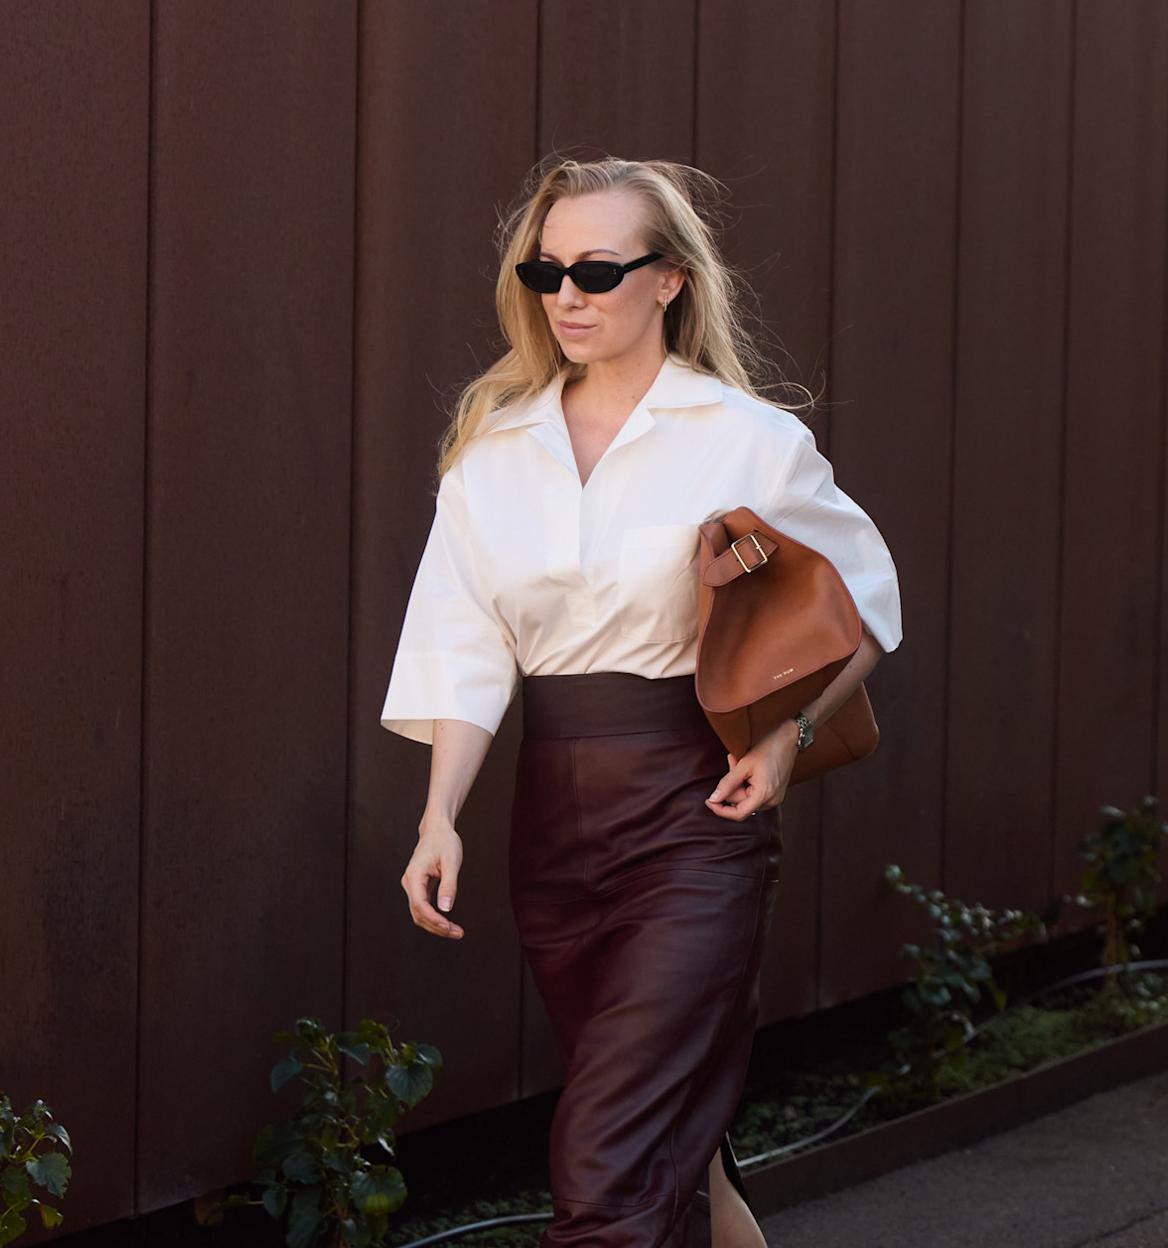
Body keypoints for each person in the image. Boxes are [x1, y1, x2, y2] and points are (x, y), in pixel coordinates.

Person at [380, 155, 903, 1247]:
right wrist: (439, 815)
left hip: (696, 818)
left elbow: (869, 604)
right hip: (553, 828)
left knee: (606, 1154)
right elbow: (464, 643)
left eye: (598, 270)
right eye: (546, 271)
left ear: (670, 280)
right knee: (669, 1144)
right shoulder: (495, 452)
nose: (566, 295)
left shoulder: (746, 438)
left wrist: (791, 737)